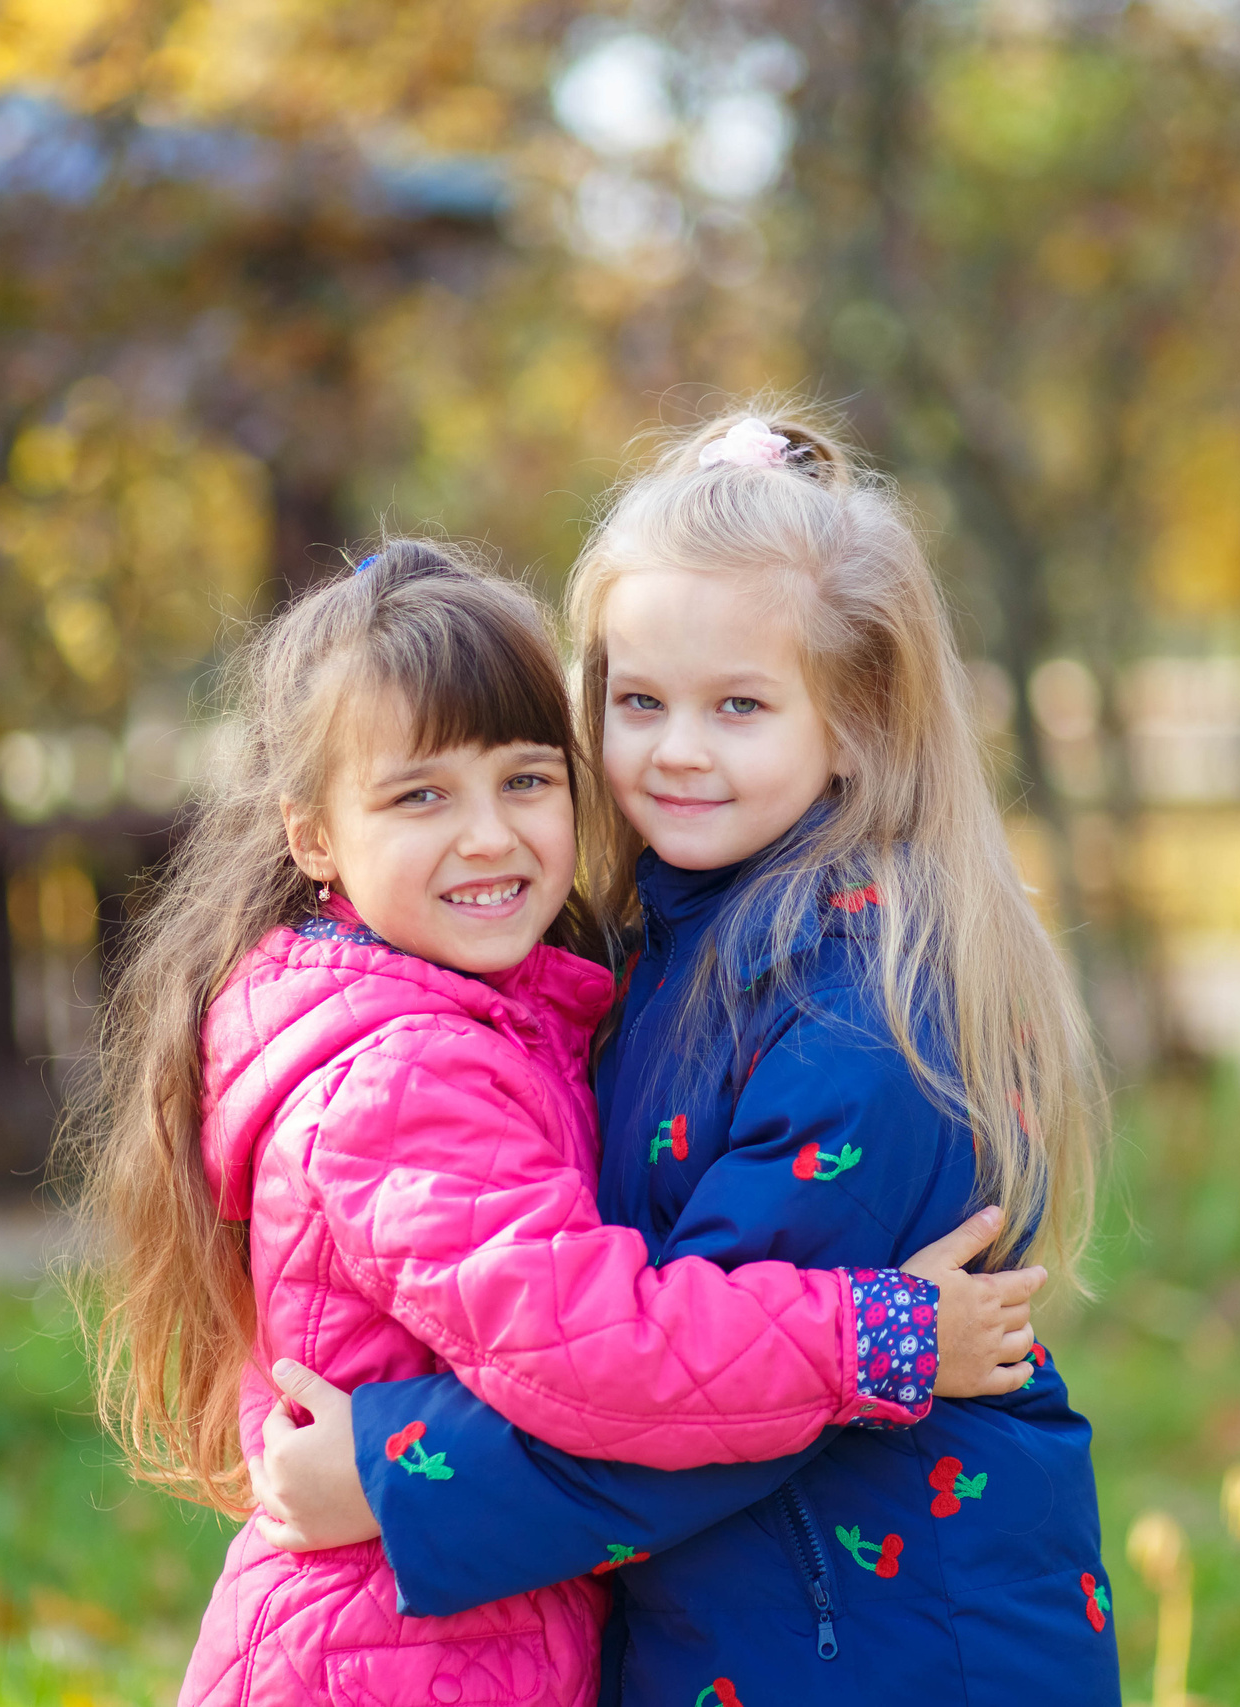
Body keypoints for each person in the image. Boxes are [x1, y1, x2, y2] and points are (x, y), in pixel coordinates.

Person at [67, 541, 1045, 1706]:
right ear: (313, 836)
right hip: (396, 1662)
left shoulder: (508, 1013)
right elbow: (601, 1351)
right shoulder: (402, 1079)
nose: (489, 834)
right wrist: (880, 1338)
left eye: (525, 779)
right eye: (421, 795)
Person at [255, 414, 1117, 1705]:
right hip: (759, 1627)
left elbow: (694, 1397)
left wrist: (392, 1478)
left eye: (739, 707)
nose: (677, 750)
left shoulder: (863, 1008)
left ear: (858, 721)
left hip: (887, 1645)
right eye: (639, 701)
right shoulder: (662, 938)